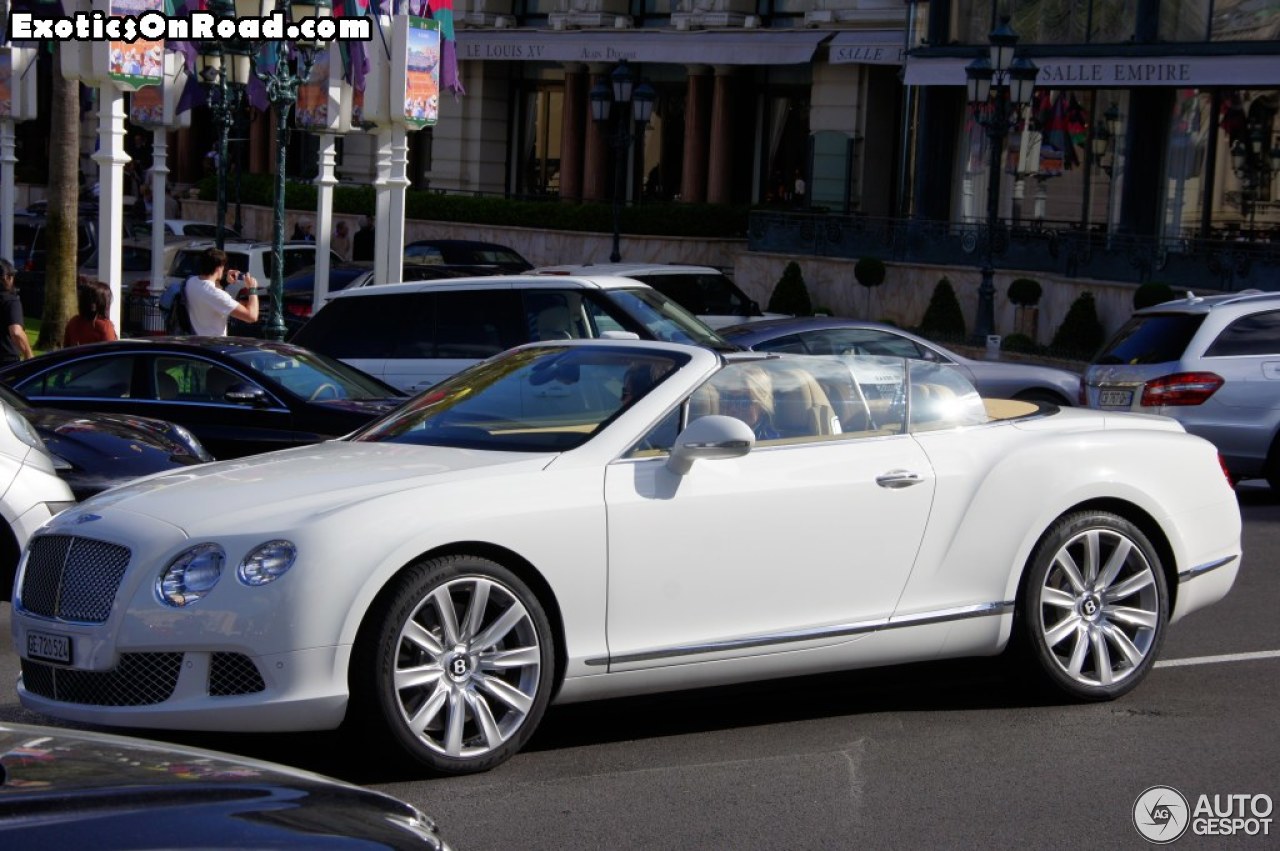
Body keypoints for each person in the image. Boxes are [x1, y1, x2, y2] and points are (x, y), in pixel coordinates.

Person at [183, 247, 259, 336]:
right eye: (223, 267)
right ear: (219, 268)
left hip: (197, 340)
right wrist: (252, 289)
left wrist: (224, 280)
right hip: (215, 345)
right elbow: (251, 316)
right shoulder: (217, 295)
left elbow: (208, 284)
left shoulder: (190, 282)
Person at [720, 366, 780, 440]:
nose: (733, 409)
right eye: (728, 398)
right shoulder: (715, 434)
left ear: (762, 407)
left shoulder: (771, 442)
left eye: (744, 401)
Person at [63, 279, 118, 347]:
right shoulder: (104, 326)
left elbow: (65, 349)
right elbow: (111, 352)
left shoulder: (73, 322)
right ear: (104, 303)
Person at [0, 259, 32, 365]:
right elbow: (16, 332)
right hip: (6, 363)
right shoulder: (10, 301)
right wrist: (29, 355)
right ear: (7, 278)